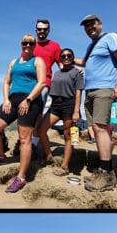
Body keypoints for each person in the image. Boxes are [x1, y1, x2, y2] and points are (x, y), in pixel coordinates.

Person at [0, 34, 46, 193]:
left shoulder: (37, 61)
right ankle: (2, 156)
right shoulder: (13, 62)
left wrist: (29, 99)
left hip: (31, 100)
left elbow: (42, 82)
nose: (27, 45)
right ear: (21, 44)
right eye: (25, 42)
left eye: (31, 43)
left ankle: (21, 178)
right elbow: (6, 82)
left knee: (24, 138)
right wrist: (5, 99)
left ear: (34, 45)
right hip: (12, 99)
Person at [74, 13, 117, 192]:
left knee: (100, 128)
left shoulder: (111, 37)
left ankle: (105, 175)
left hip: (105, 89)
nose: (89, 28)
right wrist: (61, 55)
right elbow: (82, 62)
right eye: (86, 26)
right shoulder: (92, 46)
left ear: (100, 24)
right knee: (96, 130)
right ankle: (104, 169)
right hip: (90, 92)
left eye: (92, 24)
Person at [36, 48, 84, 176]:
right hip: (55, 105)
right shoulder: (56, 73)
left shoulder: (77, 73)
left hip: (69, 104)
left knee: (68, 136)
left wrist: (76, 111)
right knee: (41, 130)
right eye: (63, 56)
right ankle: (48, 156)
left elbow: (79, 93)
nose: (66, 57)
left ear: (73, 58)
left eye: (69, 55)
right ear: (60, 59)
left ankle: (65, 166)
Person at [33, 18, 62, 114]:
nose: (42, 31)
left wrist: (75, 70)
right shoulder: (30, 44)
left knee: (38, 113)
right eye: (40, 29)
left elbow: (62, 64)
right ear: (36, 30)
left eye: (45, 29)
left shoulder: (55, 46)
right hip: (27, 83)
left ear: (49, 31)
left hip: (44, 84)